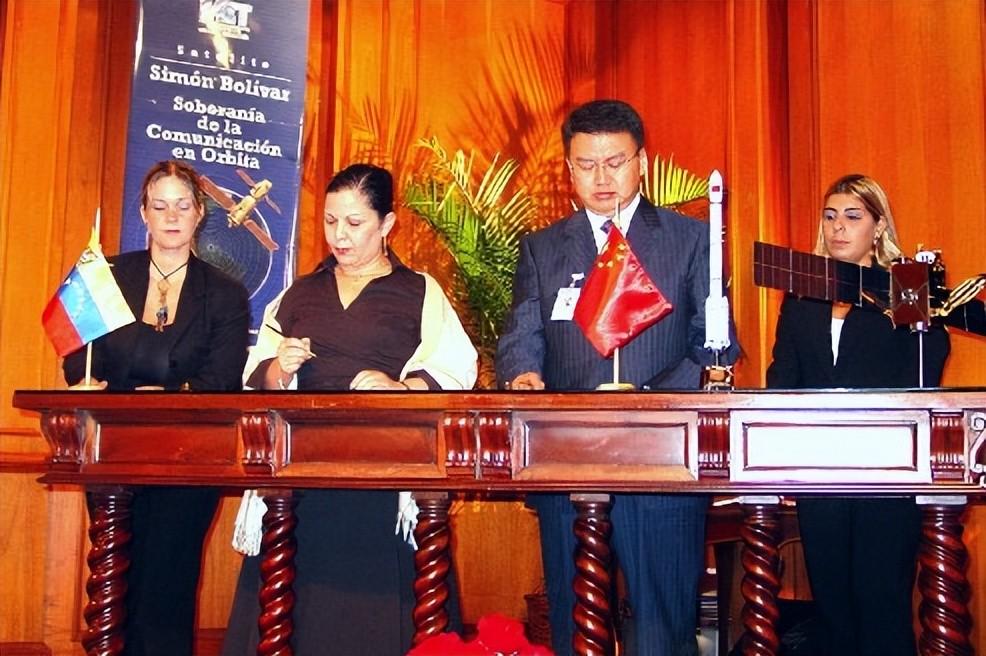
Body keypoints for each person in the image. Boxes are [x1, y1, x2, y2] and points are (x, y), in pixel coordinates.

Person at [495, 99, 740, 655]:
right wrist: (523, 373)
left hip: (661, 454)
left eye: (615, 162)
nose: (601, 178)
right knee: (573, 623)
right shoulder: (542, 247)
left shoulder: (690, 239)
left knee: (661, 629)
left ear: (642, 163)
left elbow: (711, 341)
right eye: (586, 165)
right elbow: (522, 332)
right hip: (566, 454)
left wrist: (650, 403)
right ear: (569, 168)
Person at [221, 163, 477, 654]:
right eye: (331, 221)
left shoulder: (419, 290)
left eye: (355, 223)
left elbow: (457, 366)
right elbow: (256, 371)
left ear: (387, 224)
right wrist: (279, 369)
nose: (340, 235)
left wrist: (401, 386)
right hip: (300, 476)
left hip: (385, 473)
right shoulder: (300, 292)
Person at [63, 159, 251, 655]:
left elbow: (222, 380)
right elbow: (78, 359)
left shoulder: (226, 294)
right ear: (143, 213)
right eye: (160, 206)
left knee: (168, 588)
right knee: (113, 587)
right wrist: (87, 383)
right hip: (113, 451)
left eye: (182, 206)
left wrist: (169, 397)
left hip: (190, 459)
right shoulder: (105, 278)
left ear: (200, 214)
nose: (171, 216)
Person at [766, 173, 949, 655]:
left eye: (852, 216)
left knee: (882, 604)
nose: (838, 228)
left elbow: (926, 373)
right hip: (819, 474)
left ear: (878, 226)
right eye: (830, 217)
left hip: (888, 473)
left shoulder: (904, 289)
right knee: (833, 608)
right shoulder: (802, 296)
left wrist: (925, 306)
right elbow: (782, 380)